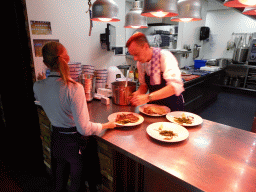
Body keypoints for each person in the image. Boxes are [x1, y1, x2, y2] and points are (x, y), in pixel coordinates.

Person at [33, 42, 116, 192]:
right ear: (67, 58)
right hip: (73, 143)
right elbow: (84, 129)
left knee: (59, 175)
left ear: (45, 63)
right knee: (76, 180)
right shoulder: (74, 88)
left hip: (56, 139)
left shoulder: (37, 86)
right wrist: (106, 125)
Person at [126, 32, 185, 111]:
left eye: (136, 54)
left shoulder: (165, 56)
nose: (135, 58)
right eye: (133, 55)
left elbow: (175, 87)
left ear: (146, 46)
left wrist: (147, 97)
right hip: (153, 107)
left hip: (173, 106)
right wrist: (136, 95)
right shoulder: (140, 63)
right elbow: (144, 86)